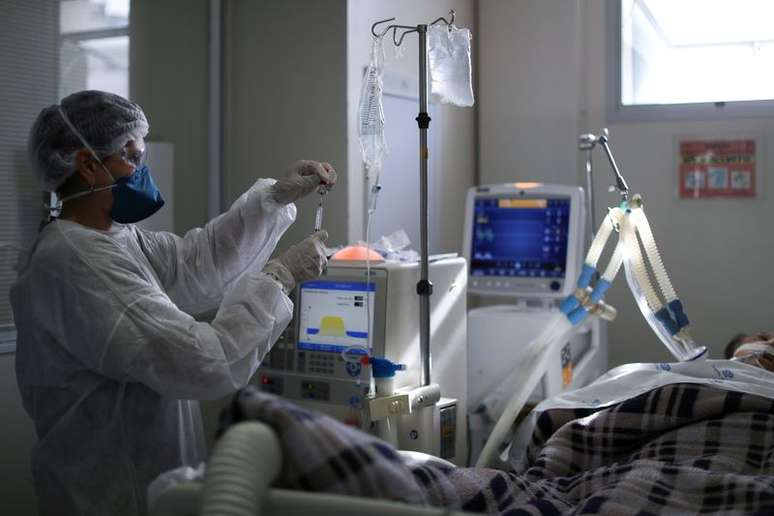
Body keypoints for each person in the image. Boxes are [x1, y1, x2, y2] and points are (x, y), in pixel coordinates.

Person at [11, 90, 336, 515]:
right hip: (111, 493)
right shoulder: (77, 263)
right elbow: (205, 361)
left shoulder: (115, 240)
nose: (143, 170)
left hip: (144, 481)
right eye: (131, 157)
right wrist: (280, 276)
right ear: (88, 166)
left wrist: (274, 199)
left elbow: (197, 262)